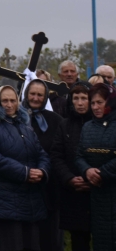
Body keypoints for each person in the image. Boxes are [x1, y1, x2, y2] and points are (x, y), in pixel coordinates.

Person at [0, 86, 50, 251]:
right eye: (4, 101)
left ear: (18, 103)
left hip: (30, 200)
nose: (9, 105)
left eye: (12, 100)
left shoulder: (25, 126)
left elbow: (41, 154)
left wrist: (42, 171)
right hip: (3, 202)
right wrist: (25, 173)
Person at [22, 78, 63, 251]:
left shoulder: (55, 120)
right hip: (22, 184)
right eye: (32, 94)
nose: (36, 98)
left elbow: (59, 151)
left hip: (48, 186)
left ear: (45, 97)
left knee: (49, 238)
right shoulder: (17, 117)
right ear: (26, 94)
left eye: (40, 95)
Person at [50, 83, 92, 251]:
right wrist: (69, 178)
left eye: (84, 98)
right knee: (78, 240)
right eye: (76, 98)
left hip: (98, 190)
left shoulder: (100, 124)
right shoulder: (65, 125)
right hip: (73, 192)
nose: (80, 103)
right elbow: (56, 155)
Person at [75, 83, 116, 251]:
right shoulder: (87, 127)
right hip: (97, 196)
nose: (95, 107)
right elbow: (79, 155)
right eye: (92, 103)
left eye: (100, 102)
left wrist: (102, 173)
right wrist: (87, 170)